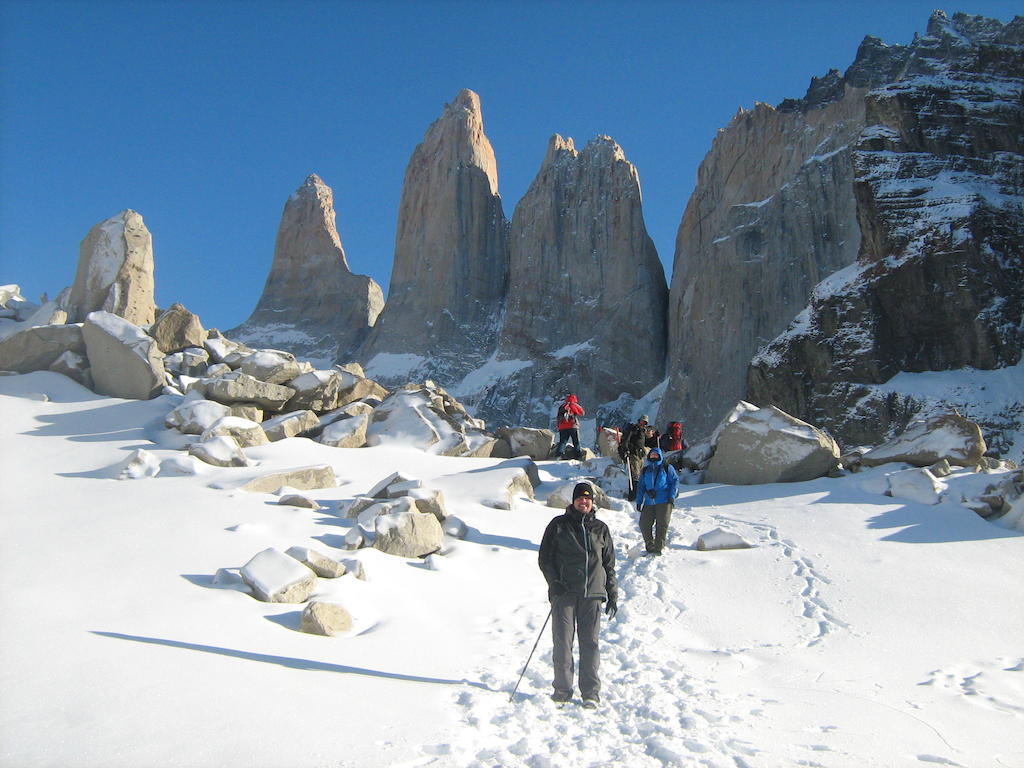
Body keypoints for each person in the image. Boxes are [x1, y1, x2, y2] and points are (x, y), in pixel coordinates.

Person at [537, 482, 618, 708]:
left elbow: (609, 564)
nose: (584, 502)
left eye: (588, 498)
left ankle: (590, 693)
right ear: (573, 501)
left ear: (593, 502)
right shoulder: (558, 525)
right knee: (562, 643)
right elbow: (545, 558)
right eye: (580, 498)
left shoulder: (600, 529)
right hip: (564, 593)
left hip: (592, 593)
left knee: (590, 643)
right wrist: (554, 583)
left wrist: (612, 593)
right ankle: (562, 691)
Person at [634, 447, 679, 555]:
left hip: (664, 500)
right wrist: (639, 501)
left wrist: (671, 496)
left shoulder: (667, 468)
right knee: (644, 524)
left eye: (656, 455)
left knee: (662, 524)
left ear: (660, 456)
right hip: (649, 501)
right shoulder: (645, 470)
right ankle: (650, 545)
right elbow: (641, 486)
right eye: (652, 455)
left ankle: (659, 548)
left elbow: (675, 481)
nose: (654, 456)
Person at [618, 414, 650, 501]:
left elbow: (643, 442)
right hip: (633, 454)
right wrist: (626, 449)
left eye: (645, 422)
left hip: (639, 455)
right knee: (634, 475)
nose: (643, 423)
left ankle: (636, 495)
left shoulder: (642, 431)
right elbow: (626, 440)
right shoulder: (633, 429)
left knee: (638, 475)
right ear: (639, 420)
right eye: (642, 421)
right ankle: (632, 496)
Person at [554, 394, 585, 458]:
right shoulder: (573, 405)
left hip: (562, 427)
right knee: (576, 442)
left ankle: (559, 455)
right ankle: (578, 456)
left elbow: (558, 417)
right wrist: (575, 405)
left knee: (562, 442)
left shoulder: (562, 406)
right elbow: (582, 412)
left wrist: (558, 426)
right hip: (572, 426)